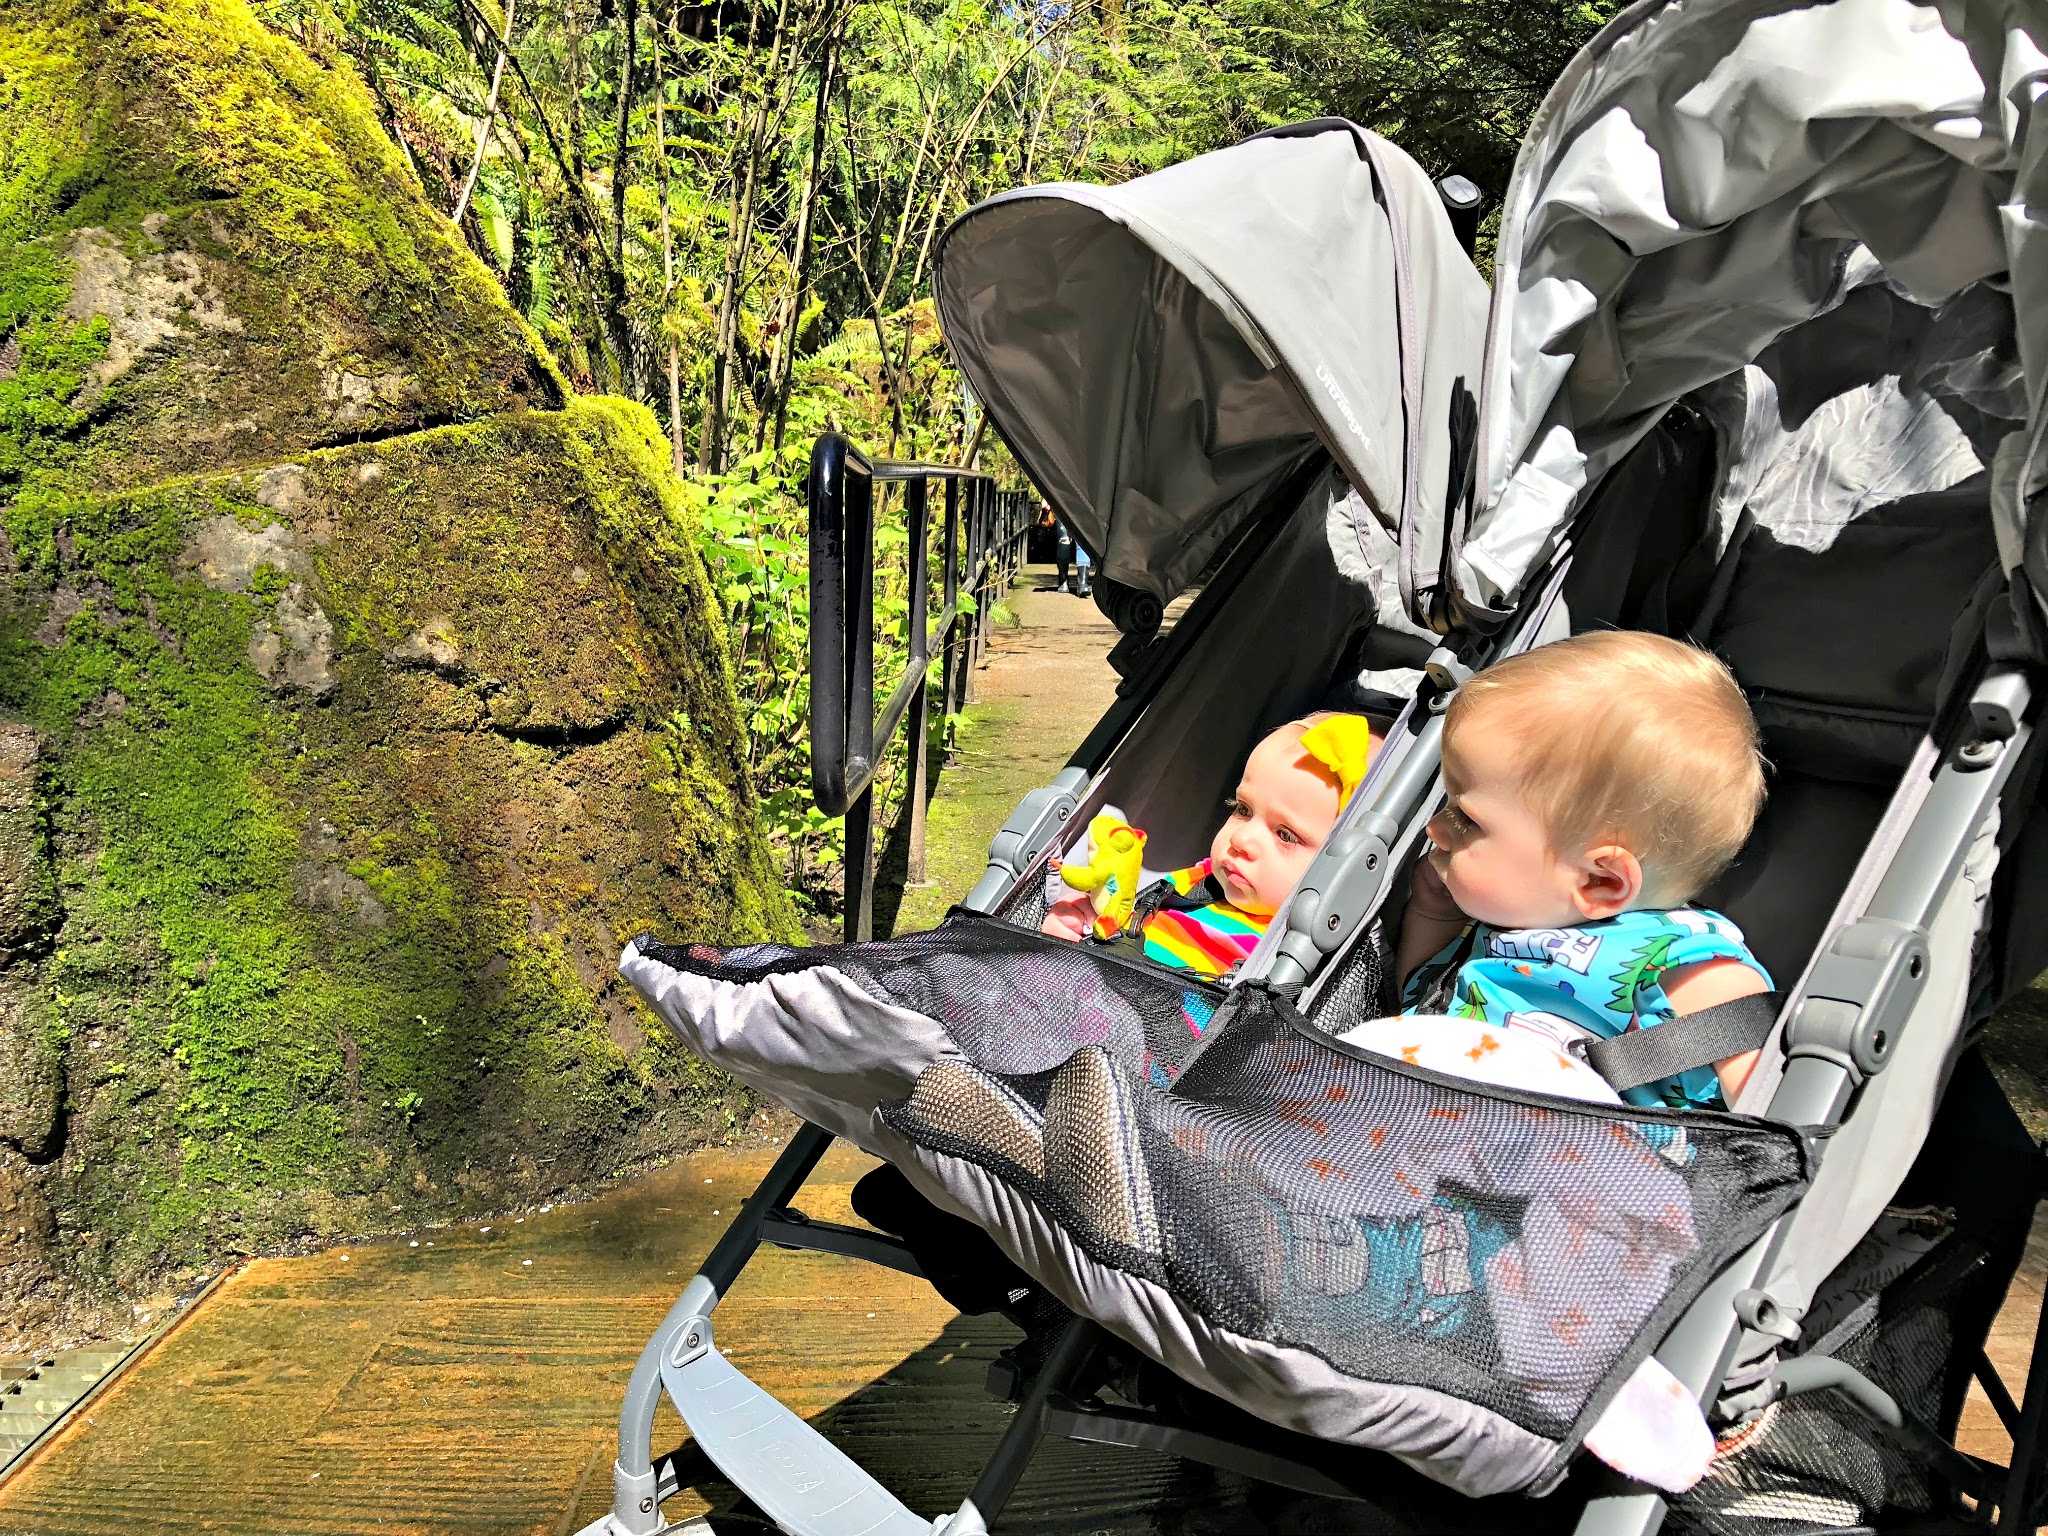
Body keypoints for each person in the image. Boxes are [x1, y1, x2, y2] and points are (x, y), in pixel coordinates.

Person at [1392, 628, 1771, 1110]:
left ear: (1600, 881)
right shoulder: (1510, 920)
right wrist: (1433, 917)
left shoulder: (1683, 962)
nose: (1435, 829)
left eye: (1467, 820)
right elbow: (1421, 1008)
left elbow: (1764, 1099)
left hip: (1585, 1168)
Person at [1041, 713, 1377, 976]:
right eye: (1243, 810)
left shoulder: (1296, 950)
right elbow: (1135, 919)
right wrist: (1087, 922)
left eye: (1285, 834)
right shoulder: (1203, 882)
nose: (1241, 839)